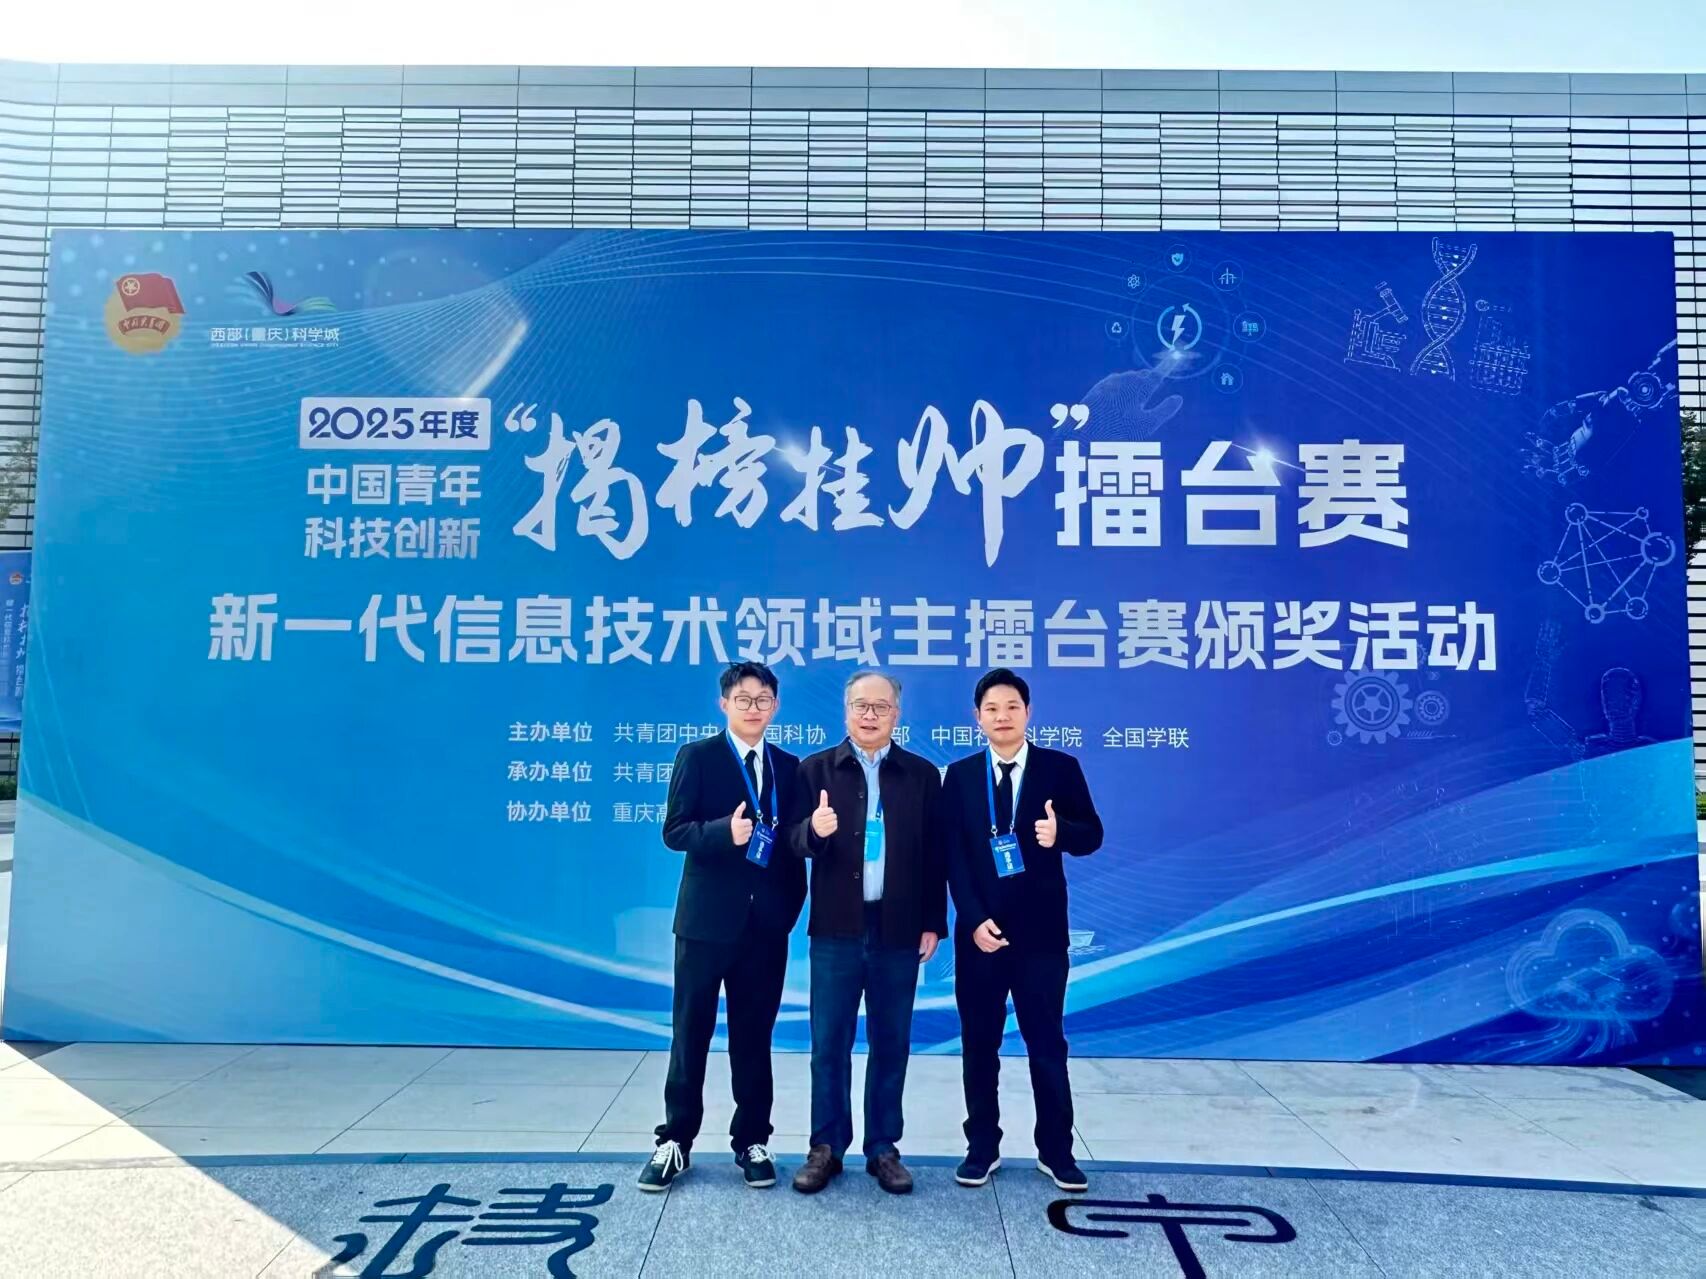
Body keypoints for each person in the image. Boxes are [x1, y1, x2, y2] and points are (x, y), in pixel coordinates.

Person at [639, 662, 806, 1192]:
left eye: (763, 699)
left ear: (775, 706)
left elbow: (794, 842)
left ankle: (752, 1140)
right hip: (705, 924)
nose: (753, 707)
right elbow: (674, 830)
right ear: (724, 704)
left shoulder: (788, 766)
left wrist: (786, 911)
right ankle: (675, 1140)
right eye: (743, 698)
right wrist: (721, 833)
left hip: (765, 929)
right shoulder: (698, 756)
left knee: (754, 1037)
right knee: (691, 1033)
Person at [941, 667, 1104, 1193]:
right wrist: (972, 919)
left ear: (1028, 713)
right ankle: (981, 1147)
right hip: (981, 936)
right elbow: (954, 856)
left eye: (1012, 707)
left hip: (1041, 937)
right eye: (992, 709)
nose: (1002, 717)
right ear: (977, 718)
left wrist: (1062, 832)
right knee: (978, 1045)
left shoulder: (1060, 768)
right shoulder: (960, 776)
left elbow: (1093, 835)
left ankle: (1056, 1151)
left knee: (1047, 1044)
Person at [785, 669, 945, 1195]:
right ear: (846, 709)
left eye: (881, 707)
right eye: (861, 706)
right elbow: (790, 842)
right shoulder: (814, 770)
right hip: (836, 927)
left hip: (898, 927)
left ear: (897, 714)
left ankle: (883, 1147)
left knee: (891, 1041)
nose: (870, 715)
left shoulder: (921, 775)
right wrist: (814, 832)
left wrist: (933, 921)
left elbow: (935, 855)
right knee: (828, 1041)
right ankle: (826, 1146)